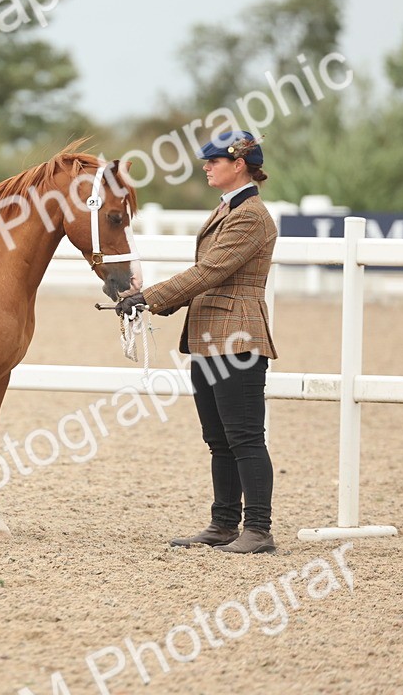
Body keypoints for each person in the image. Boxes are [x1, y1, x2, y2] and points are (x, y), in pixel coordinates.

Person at [115, 130, 278, 554]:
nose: (206, 167)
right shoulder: (227, 209)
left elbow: (210, 272)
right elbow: (206, 275)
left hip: (238, 337)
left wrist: (149, 298)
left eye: (214, 161)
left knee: (244, 436)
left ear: (238, 164)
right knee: (219, 438)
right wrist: (152, 304)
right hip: (211, 337)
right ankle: (224, 523)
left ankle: (258, 529)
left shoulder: (250, 216)